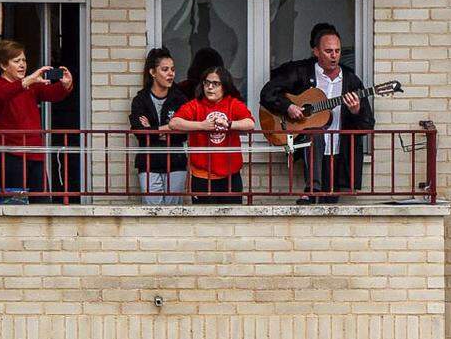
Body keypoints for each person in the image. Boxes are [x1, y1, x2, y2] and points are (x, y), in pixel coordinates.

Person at [259, 23, 375, 201]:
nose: (334, 55)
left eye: (337, 51)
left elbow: (367, 125)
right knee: (316, 134)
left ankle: (311, 193)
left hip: (338, 152)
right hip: (310, 148)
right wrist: (288, 107)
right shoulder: (301, 73)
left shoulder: (351, 81)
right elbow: (267, 93)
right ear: (316, 51)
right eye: (328, 51)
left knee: (330, 207)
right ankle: (311, 190)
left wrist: (356, 110)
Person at [0, 38, 73, 203]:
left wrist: (66, 85)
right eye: (16, 61)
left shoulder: (30, 87)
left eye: (24, 60)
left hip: (35, 154)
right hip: (10, 156)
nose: (22, 65)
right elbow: (4, 94)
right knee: (14, 207)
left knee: (41, 206)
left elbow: (52, 94)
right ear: (4, 65)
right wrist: (28, 80)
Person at [169, 66, 255, 203]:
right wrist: (201, 126)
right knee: (204, 221)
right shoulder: (195, 105)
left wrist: (229, 124)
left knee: (233, 220)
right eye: (206, 83)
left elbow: (250, 123)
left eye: (215, 84)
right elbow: (174, 123)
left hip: (230, 175)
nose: (209, 87)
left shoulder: (232, 104)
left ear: (224, 86)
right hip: (202, 176)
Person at [129, 47, 188, 205]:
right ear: (153, 72)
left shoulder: (180, 99)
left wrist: (153, 129)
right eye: (165, 69)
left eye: (173, 69)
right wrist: (169, 128)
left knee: (173, 212)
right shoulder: (140, 100)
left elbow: (184, 133)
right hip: (149, 162)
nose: (171, 74)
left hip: (175, 161)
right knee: (152, 212)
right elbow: (140, 133)